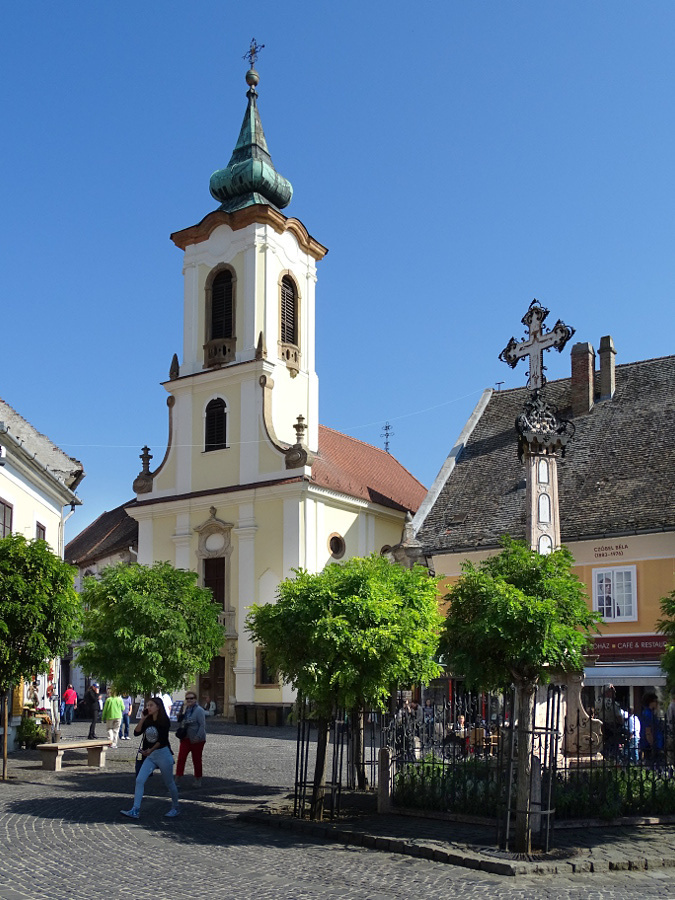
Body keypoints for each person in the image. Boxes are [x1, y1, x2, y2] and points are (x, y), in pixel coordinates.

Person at [120, 696, 179, 819]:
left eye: (151, 705)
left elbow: (162, 740)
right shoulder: (148, 720)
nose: (148, 707)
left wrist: (150, 750)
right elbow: (136, 733)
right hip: (150, 755)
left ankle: (175, 807)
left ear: (158, 707)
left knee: (169, 782)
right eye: (147, 705)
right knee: (139, 780)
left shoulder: (164, 721)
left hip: (163, 753)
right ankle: (135, 809)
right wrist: (142, 719)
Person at [176, 690, 207, 788]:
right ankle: (178, 778)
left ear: (195, 699)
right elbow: (181, 722)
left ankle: (198, 779)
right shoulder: (185, 709)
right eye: (187, 698)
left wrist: (198, 737)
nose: (189, 700)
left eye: (191, 698)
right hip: (185, 738)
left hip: (197, 739)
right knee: (181, 758)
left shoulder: (199, 710)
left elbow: (202, 725)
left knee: (196, 759)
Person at [640, 692, 665, 765]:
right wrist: (652, 744)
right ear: (651, 702)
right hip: (651, 746)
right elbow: (648, 731)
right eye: (656, 701)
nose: (657, 704)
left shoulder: (650, 713)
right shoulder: (648, 714)